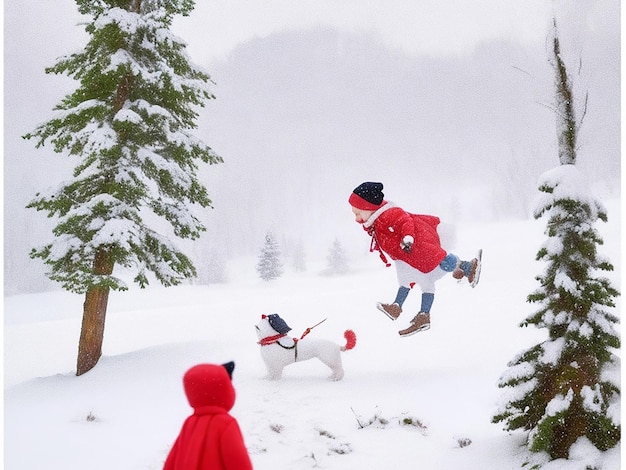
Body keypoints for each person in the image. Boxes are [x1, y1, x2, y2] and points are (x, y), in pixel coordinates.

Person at [348, 181, 480, 337]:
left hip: (417, 249)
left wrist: (408, 237)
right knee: (407, 280)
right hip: (405, 257)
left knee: (438, 266)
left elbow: (406, 221)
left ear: (369, 208)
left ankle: (466, 268)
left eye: (358, 213)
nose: (356, 219)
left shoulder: (389, 214)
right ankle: (398, 307)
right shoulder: (376, 221)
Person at [163, 362, 253, 470]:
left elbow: (171, 460)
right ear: (225, 390)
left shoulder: (189, 423)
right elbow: (238, 462)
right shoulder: (226, 423)